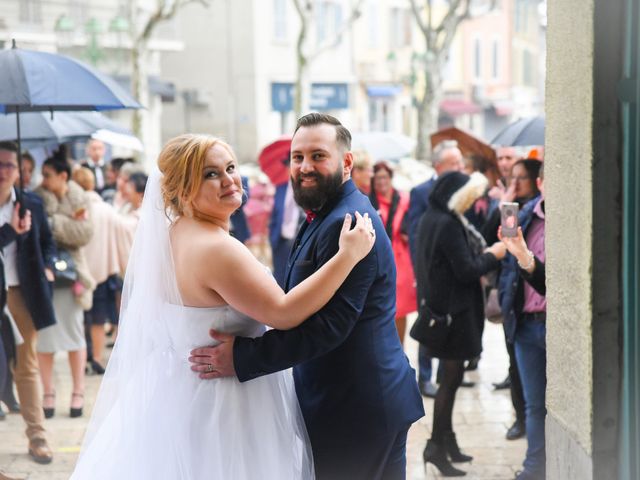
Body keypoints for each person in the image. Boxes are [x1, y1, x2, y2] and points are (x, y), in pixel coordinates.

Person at [70, 133, 376, 480]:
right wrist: (347, 256)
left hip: (179, 391)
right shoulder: (216, 248)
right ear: (183, 189)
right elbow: (284, 313)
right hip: (226, 403)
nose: (230, 179)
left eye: (230, 168)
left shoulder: (175, 234)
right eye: (210, 174)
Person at [191, 113, 425, 480]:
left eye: (318, 156)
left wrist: (243, 357)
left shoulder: (347, 222)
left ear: (346, 162)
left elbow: (328, 328)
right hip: (351, 400)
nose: (304, 167)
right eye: (297, 157)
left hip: (357, 407)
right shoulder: (325, 212)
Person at [415, 171, 506, 477]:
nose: (472, 203)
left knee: (449, 382)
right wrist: (494, 254)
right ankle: (435, 447)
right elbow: (467, 271)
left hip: (441, 313)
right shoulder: (448, 224)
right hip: (454, 317)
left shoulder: (431, 218)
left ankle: (447, 442)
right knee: (449, 384)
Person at [0, 141, 57, 465]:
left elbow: (48, 242)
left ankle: (37, 436)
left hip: (22, 293)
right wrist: (10, 230)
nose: (4, 171)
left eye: (10, 165)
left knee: (27, 366)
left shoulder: (31, 203)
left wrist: (48, 265)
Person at [484, 158, 542, 441]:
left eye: (522, 178)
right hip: (513, 294)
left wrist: (506, 206)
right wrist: (504, 204)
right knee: (516, 366)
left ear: (537, 181)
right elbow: (489, 237)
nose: (515, 183)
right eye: (512, 177)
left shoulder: (536, 210)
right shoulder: (515, 207)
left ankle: (526, 422)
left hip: (532, 295)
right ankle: (520, 419)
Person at [35, 152, 95, 419]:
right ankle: (48, 392)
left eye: (48, 175)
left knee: (74, 335)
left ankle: (78, 391)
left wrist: (54, 223)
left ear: (63, 176)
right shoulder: (36, 196)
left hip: (73, 277)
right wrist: (63, 225)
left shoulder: (80, 197)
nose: (43, 180)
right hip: (44, 276)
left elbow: (85, 233)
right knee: (45, 337)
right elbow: (36, 234)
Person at [498, 165, 547, 480]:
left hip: (555, 325)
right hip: (526, 323)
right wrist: (505, 201)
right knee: (532, 405)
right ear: (541, 184)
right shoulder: (526, 215)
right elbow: (505, 254)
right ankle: (534, 468)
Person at [407, 140, 464, 398]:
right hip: (429, 274)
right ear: (439, 165)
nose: (460, 168)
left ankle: (447, 373)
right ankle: (425, 377)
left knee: (451, 324)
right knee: (429, 321)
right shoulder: (421, 192)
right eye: (454, 163)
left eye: (461, 163)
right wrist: (420, 273)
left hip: (455, 273)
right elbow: (416, 236)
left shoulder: (464, 190)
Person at [368, 161, 416, 344]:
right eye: (377, 178)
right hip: (380, 258)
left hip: (401, 259)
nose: (381, 182)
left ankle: (399, 347)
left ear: (390, 178)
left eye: (384, 177)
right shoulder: (370, 201)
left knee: (400, 309)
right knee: (383, 308)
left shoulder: (403, 199)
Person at [269, 180, 303, 287]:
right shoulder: (281, 187)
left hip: (298, 240)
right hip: (280, 239)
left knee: (295, 277)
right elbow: (275, 212)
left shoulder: (306, 187)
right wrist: (272, 235)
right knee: (279, 276)